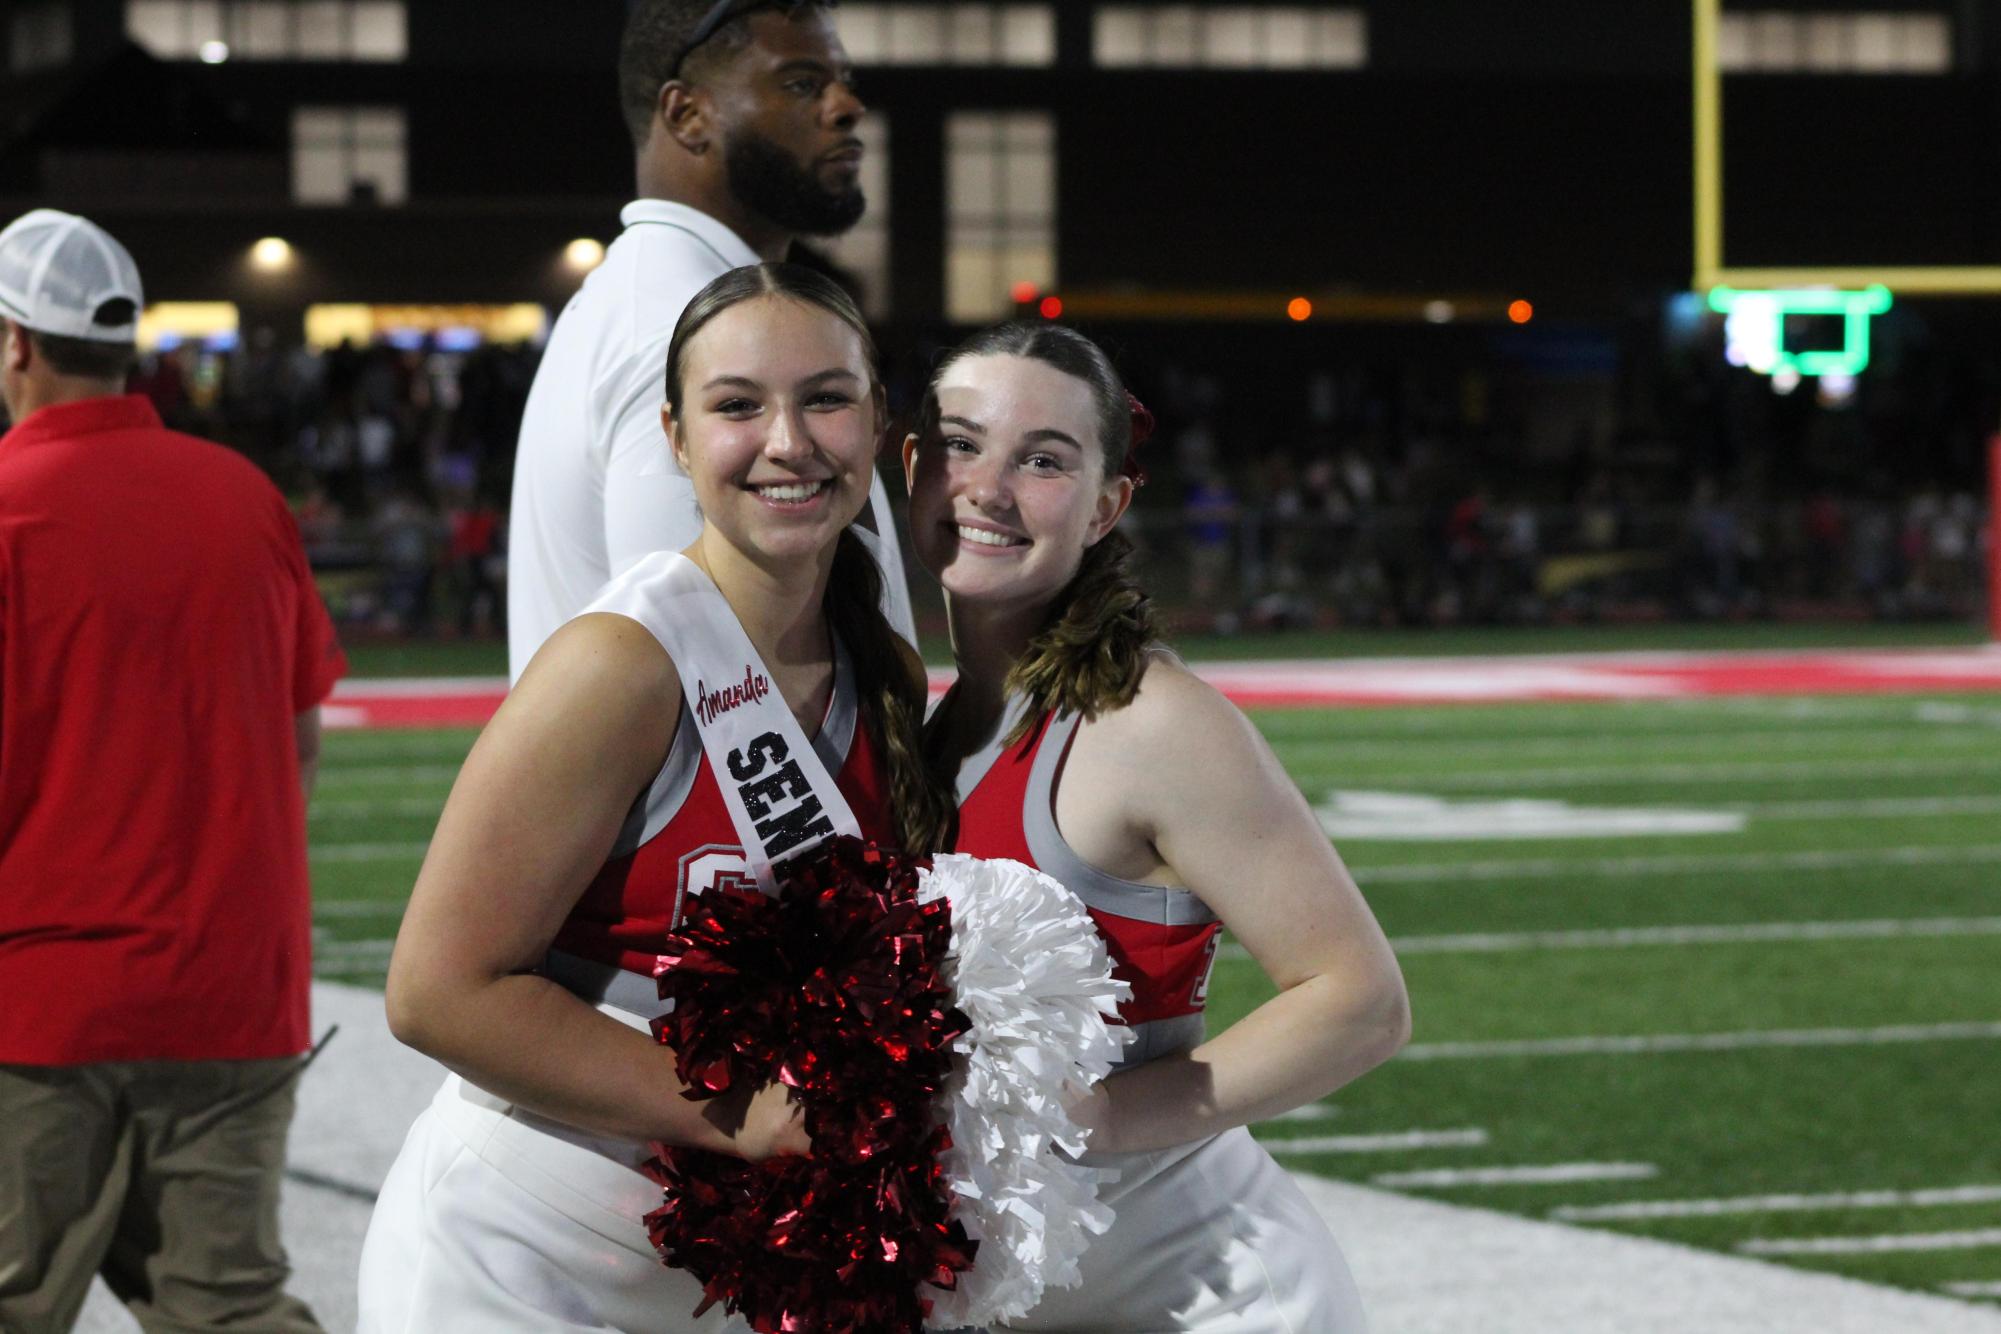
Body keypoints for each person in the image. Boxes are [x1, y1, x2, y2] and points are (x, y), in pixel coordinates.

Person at [358, 263, 946, 1331]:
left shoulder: (885, 671)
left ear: (877, 422)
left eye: (826, 397)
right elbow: (437, 992)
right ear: (675, 438)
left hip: (726, 1275)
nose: (788, 440)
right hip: (519, 1263)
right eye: (737, 405)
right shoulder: (619, 664)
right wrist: (743, 1114)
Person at [904, 322, 1411, 1333]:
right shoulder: (923, 730)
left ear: (1106, 507)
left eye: (1044, 459)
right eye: (962, 444)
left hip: (1212, 1300)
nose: (990, 487)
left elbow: (1360, 1001)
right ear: (913, 467)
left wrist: (1084, 1119)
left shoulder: (1147, 720)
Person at [0, 209, 344, 1333]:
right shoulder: (243, 495)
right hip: (234, 989)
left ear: (16, 344)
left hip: (40, 1007)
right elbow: (299, 745)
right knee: (230, 1305)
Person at [508, 0, 913, 682]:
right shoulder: (676, 327)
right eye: (801, 83)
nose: (847, 107)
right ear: (686, 115)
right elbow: (707, 688)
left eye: (842, 80)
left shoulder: (661, 299)